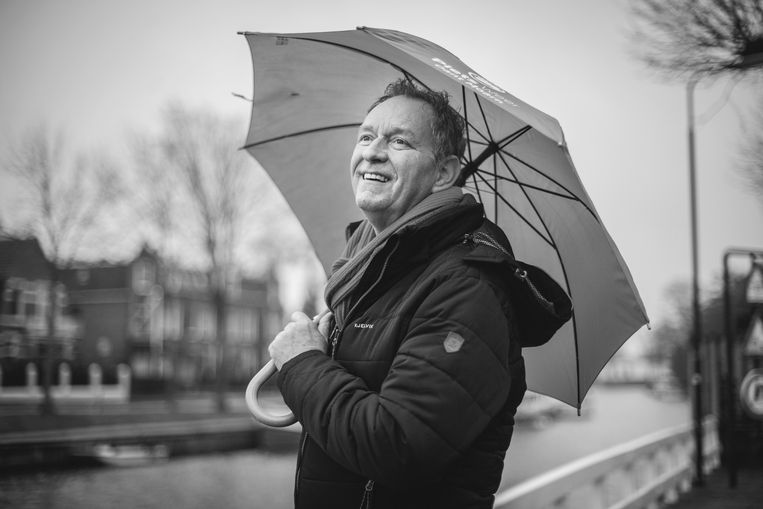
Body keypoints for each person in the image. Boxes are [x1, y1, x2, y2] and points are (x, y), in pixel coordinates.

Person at [268, 78, 569, 509]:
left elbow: (396, 446)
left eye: (399, 141)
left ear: (444, 173)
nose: (372, 152)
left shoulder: (467, 290)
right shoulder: (366, 277)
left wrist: (303, 364)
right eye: (366, 137)